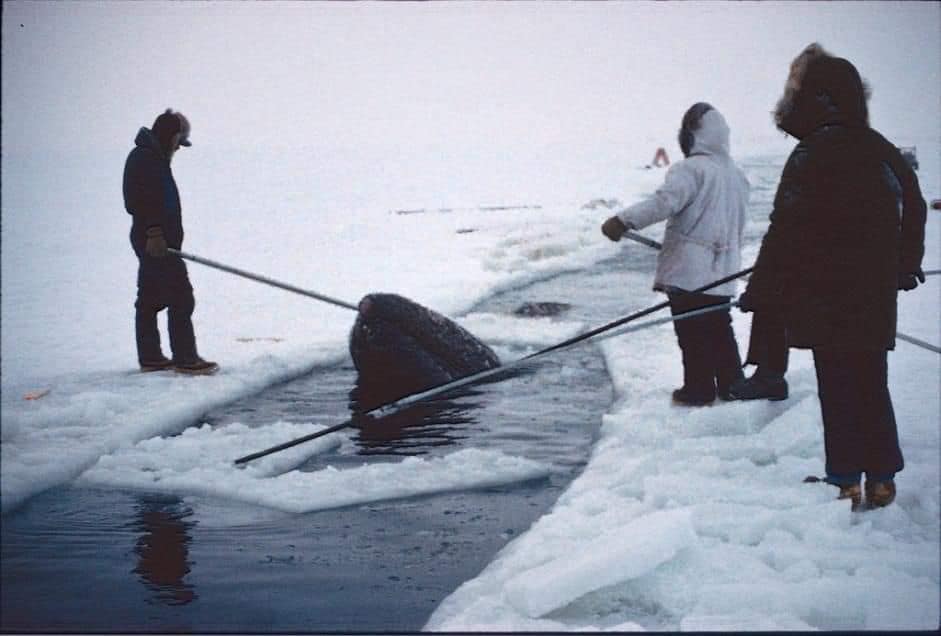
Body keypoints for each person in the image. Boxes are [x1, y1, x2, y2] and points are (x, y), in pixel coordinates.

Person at [738, 44, 927, 510]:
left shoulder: (811, 151)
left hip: (825, 295)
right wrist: (905, 265)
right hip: (873, 295)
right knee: (870, 381)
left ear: (819, 99)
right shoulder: (881, 147)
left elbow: (785, 228)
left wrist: (760, 289)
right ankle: (882, 480)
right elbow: (915, 207)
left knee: (837, 386)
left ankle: (844, 480)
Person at [602, 103, 749, 406]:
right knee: (719, 327)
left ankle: (698, 389)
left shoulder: (690, 169)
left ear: (693, 135)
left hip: (690, 272)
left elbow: (664, 202)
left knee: (691, 332)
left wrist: (623, 221)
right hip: (723, 271)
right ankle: (731, 383)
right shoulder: (736, 175)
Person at [123, 109, 218, 375]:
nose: (179, 148)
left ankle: (151, 357)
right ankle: (186, 359)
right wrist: (154, 233)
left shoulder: (150, 157)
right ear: (173, 135)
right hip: (156, 243)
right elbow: (139, 201)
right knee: (180, 297)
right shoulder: (146, 159)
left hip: (157, 240)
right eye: (179, 142)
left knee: (150, 298)